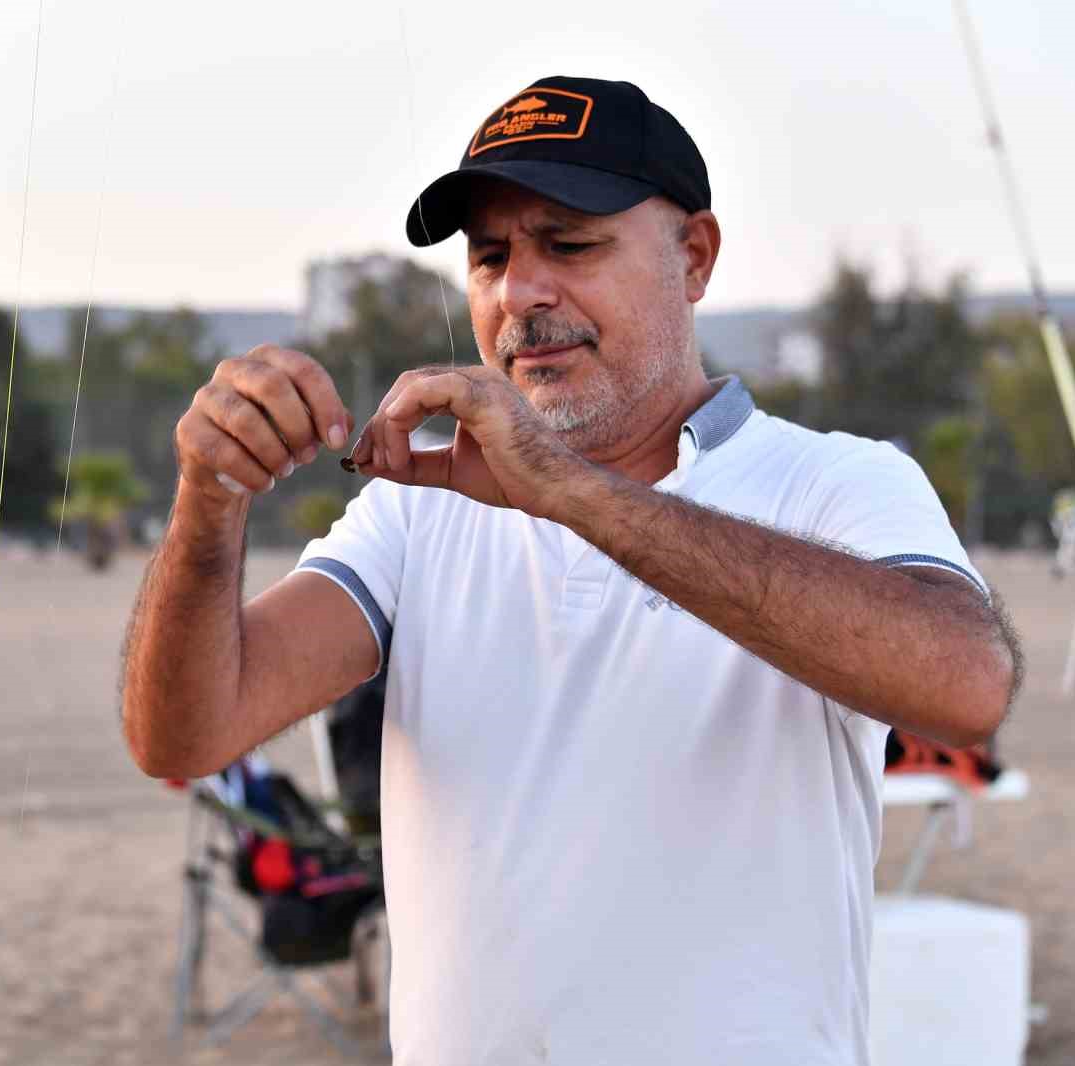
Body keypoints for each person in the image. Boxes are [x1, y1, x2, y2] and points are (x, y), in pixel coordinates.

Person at [120, 76, 1021, 1065]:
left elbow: (966, 688)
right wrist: (208, 506)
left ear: (695, 257)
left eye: (570, 244)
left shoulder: (839, 481)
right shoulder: (416, 512)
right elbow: (185, 730)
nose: (520, 293)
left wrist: (571, 491)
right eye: (490, 256)